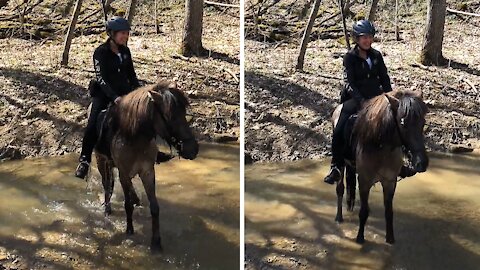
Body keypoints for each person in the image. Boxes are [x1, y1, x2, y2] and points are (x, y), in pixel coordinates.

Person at [75, 16, 171, 179]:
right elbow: (101, 79)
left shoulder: (126, 51)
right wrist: (114, 98)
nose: (125, 36)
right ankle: (84, 159)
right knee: (92, 123)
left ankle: (153, 151)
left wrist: (141, 93)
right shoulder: (100, 52)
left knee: (147, 114)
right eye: (122, 33)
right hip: (104, 94)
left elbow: (132, 76)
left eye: (127, 33)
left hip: (126, 93)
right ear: (111, 33)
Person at [323, 19, 415, 185]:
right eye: (363, 37)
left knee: (397, 123)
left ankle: (400, 164)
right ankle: (336, 166)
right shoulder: (349, 57)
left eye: (369, 37)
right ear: (357, 39)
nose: (367, 40)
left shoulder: (376, 55)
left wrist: (390, 98)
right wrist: (362, 102)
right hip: (355, 99)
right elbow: (349, 83)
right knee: (339, 128)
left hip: (377, 98)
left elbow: (384, 79)